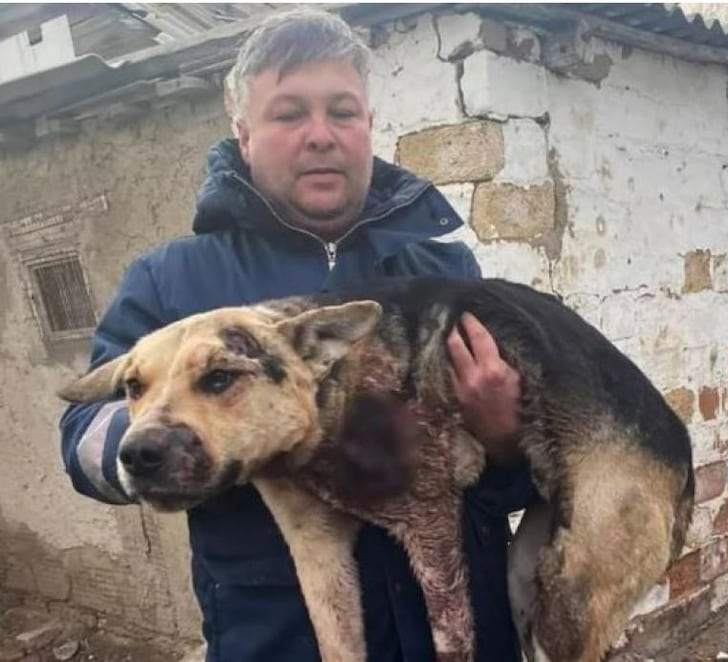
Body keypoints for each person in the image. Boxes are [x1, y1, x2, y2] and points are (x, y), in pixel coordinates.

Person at [59, 9, 533, 662]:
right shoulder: (171, 282)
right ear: (243, 132)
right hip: (279, 638)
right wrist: (196, 434)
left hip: (457, 632)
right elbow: (82, 437)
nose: (320, 135)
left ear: (368, 126)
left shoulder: (443, 271)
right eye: (288, 114)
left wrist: (504, 437)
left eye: (342, 112)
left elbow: (505, 476)